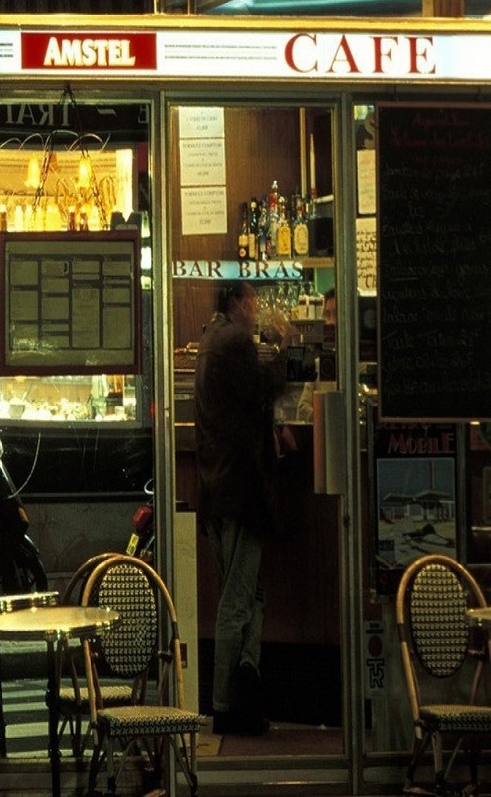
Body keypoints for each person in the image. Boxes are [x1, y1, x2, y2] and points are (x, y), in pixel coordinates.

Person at [195, 281, 286, 735]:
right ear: (235, 303)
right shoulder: (236, 341)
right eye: (251, 301)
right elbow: (261, 391)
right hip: (239, 488)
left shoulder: (211, 338)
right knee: (237, 600)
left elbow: (241, 407)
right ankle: (226, 704)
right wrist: (286, 349)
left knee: (251, 595)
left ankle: (247, 680)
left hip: (215, 487)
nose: (255, 309)